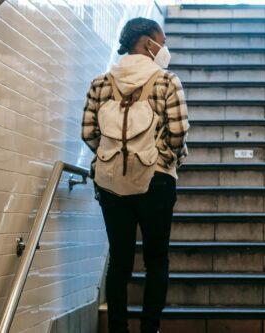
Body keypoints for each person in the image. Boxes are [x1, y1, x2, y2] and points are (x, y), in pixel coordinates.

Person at [81, 17, 189, 333]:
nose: (164, 49)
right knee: (157, 261)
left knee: (119, 262)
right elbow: (179, 132)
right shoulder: (167, 81)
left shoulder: (100, 83)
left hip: (111, 184)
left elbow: (88, 132)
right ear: (145, 43)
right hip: (156, 182)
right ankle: (149, 328)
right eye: (162, 42)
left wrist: (111, 159)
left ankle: (118, 329)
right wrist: (162, 160)